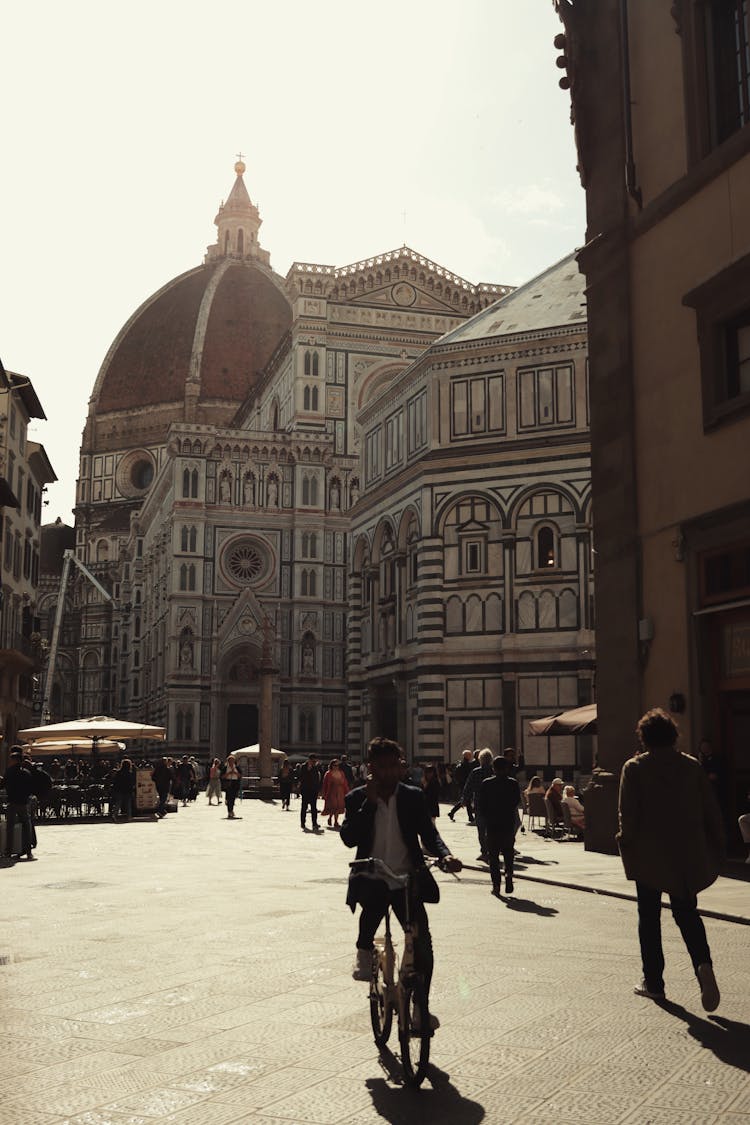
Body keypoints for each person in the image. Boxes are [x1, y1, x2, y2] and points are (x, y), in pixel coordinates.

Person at [340, 736, 462, 1025]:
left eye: (395, 766)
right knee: (374, 902)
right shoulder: (357, 798)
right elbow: (349, 838)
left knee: (423, 945)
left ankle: (421, 1007)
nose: (390, 773)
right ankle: (363, 949)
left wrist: (445, 855)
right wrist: (368, 805)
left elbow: (429, 834)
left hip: (408, 877)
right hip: (373, 874)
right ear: (371, 768)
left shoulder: (412, 796)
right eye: (382, 767)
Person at [618, 708, 724, 1011]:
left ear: (644, 737)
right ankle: (703, 964)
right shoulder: (692, 766)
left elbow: (628, 816)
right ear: (673, 735)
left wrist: (626, 845)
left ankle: (654, 982)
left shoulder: (635, 768)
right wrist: (717, 845)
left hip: (649, 854)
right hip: (686, 854)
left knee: (649, 918)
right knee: (687, 913)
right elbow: (710, 810)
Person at [479, 756, 521, 895]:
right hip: (508, 823)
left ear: (493, 769)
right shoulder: (513, 783)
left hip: (492, 825)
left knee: (493, 857)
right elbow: (516, 802)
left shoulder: (486, 783)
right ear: (507, 768)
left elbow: (481, 805)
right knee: (508, 852)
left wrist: (486, 817)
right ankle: (508, 874)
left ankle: (496, 885)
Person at [2, 748, 36, 859]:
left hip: (12, 802)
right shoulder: (26, 773)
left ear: (14, 760)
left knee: (10, 827)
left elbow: (3, 785)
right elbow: (30, 787)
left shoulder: (9, 772)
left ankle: (8, 851)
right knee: (26, 827)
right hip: (23, 802)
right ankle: (28, 851)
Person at [463, 748, 494, 861]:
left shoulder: (476, 772)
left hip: (480, 804)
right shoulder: (494, 771)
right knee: (491, 830)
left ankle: (484, 852)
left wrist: (464, 799)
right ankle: (492, 850)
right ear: (491, 760)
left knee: (481, 830)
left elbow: (468, 787)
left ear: (480, 760)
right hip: (493, 805)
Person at [447, 749, 476, 822]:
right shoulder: (466, 765)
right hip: (465, 784)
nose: (471, 756)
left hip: (462, 784)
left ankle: (452, 812)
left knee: (465, 800)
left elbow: (456, 776)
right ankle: (470, 817)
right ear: (466, 756)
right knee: (467, 800)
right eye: (469, 755)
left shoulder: (461, 764)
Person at [322, 759, 349, 828]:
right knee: (333, 806)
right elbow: (325, 785)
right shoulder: (328, 773)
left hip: (340, 792)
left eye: (337, 765)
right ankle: (330, 818)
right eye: (335, 765)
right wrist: (324, 794)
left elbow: (345, 783)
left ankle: (336, 821)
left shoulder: (341, 773)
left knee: (338, 807)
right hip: (332, 792)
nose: (336, 767)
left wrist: (347, 792)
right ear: (331, 766)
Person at [298, 754, 321, 830]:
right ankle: (303, 822)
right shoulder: (304, 766)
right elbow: (301, 777)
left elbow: (316, 779)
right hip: (305, 790)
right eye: (313, 761)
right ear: (309, 760)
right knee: (304, 807)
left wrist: (318, 789)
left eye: (315, 761)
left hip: (313, 790)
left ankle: (314, 823)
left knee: (314, 808)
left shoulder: (316, 767)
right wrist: (308, 769)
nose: (314, 762)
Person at [221, 754, 241, 819]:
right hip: (228, 783)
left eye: (232, 761)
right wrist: (229, 773)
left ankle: (231, 810)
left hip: (235, 783)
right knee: (229, 798)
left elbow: (240, 776)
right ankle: (229, 811)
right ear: (228, 761)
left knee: (233, 798)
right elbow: (222, 776)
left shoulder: (237, 768)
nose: (231, 762)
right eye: (230, 761)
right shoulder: (225, 768)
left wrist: (234, 772)